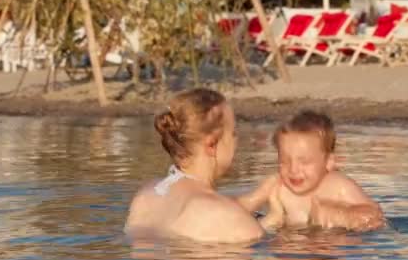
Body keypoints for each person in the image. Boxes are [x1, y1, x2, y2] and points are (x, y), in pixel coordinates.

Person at [124, 88, 264, 243]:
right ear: (211, 145)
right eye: (233, 133)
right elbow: (258, 242)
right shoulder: (224, 214)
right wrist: (276, 219)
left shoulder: (146, 195)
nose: (237, 141)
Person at [239, 111, 385, 231]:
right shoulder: (277, 185)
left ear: (328, 162)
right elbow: (243, 206)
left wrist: (341, 214)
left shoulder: (338, 185)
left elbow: (375, 216)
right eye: (284, 161)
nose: (293, 169)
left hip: (329, 249)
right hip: (288, 255)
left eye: (305, 162)